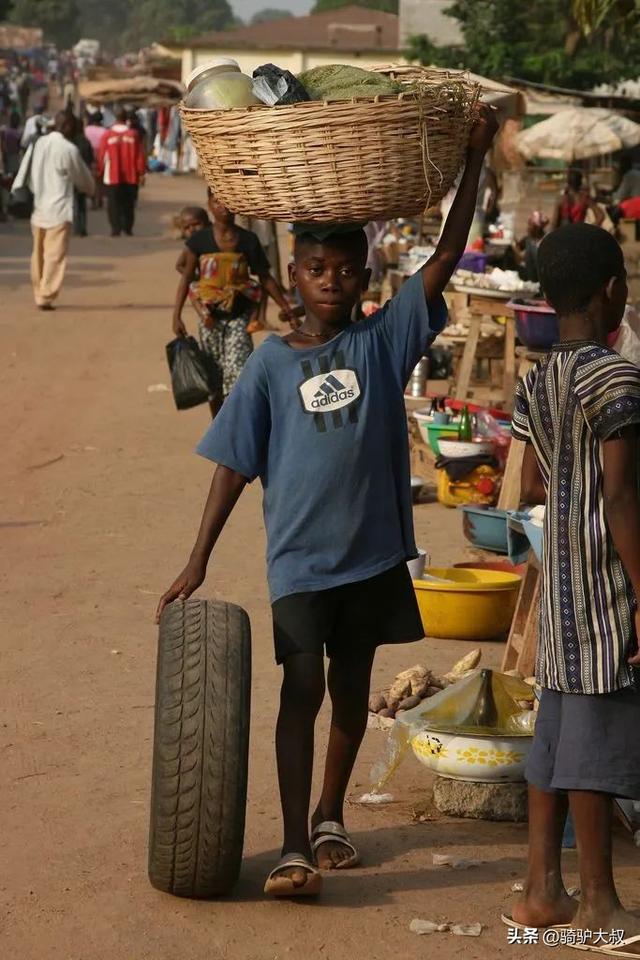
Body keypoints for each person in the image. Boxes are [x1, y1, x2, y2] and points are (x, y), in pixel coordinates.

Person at [156, 106, 499, 898]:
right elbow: (234, 468)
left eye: (347, 271)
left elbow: (447, 252)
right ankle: (290, 845)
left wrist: (475, 157)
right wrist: (197, 558)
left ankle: (330, 814)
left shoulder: (384, 339)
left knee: (350, 693)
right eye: (317, 270)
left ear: (365, 278)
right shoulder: (273, 364)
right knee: (300, 689)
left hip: (372, 555)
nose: (333, 282)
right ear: (295, 278)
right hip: (300, 562)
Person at [507, 223, 640, 951]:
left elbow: (527, 480)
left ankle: (539, 892)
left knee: (554, 739)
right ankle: (598, 904)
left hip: (556, 578)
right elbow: (620, 500)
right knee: (592, 738)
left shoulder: (540, 377)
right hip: (602, 582)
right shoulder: (616, 378)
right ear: (612, 292)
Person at [172, 190, 295, 416]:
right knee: (214, 378)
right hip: (210, 321)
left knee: (239, 375)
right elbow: (187, 277)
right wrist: (176, 316)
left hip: (239, 318)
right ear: (209, 205)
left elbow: (265, 277)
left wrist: (287, 308)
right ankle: (219, 426)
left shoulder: (248, 241)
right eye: (217, 201)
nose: (223, 207)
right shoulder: (199, 241)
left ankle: (234, 424)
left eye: (228, 201)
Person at [12, 111, 94, 310]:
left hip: (39, 207)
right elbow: (82, 178)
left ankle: (39, 290)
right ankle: (45, 294)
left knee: (38, 254)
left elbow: (25, 170)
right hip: (58, 209)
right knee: (54, 256)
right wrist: (91, 190)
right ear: (66, 126)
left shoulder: (39, 143)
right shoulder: (68, 149)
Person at [97, 106, 146, 237]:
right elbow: (140, 156)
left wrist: (100, 171)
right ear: (126, 118)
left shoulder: (107, 135)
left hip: (112, 176)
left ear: (115, 117)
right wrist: (141, 173)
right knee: (129, 203)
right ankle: (128, 228)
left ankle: (115, 228)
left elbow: (101, 155)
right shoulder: (133, 134)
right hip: (131, 176)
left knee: (113, 204)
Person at [70, 114, 94, 237]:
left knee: (73, 202)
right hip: (84, 174)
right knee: (82, 202)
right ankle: (82, 228)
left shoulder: (70, 142)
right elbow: (91, 159)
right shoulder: (86, 142)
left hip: (73, 176)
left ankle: (76, 227)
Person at [516, 211, 549, 284]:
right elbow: (519, 249)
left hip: (541, 278)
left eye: (531, 225)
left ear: (538, 228)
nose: (528, 228)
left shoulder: (546, 240)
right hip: (531, 278)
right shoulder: (528, 239)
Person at [175, 206, 210, 275]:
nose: (191, 229)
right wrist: (195, 277)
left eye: (196, 224)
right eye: (186, 227)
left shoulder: (214, 239)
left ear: (208, 224)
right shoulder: (190, 247)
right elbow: (179, 266)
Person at [0, 110, 23, 178]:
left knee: (8, 175)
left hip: (9, 155)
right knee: (13, 175)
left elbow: (2, 144)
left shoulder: (5, 131)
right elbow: (19, 146)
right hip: (12, 156)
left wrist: (4, 154)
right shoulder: (18, 133)